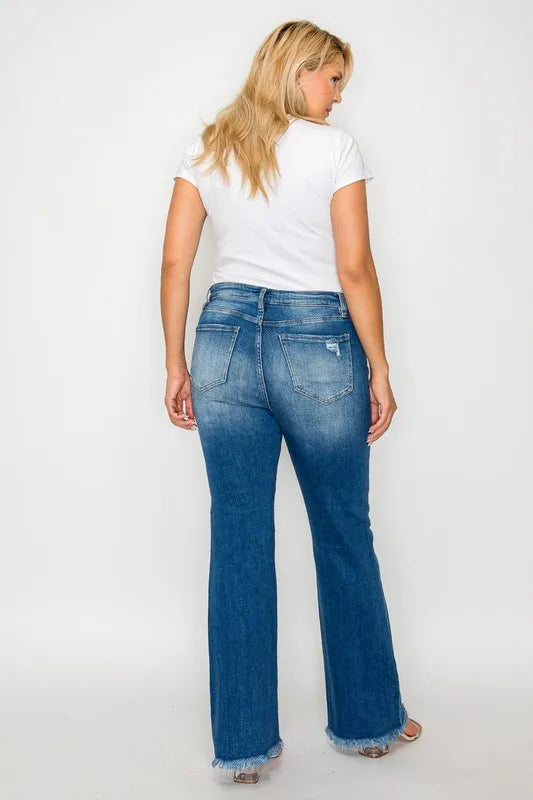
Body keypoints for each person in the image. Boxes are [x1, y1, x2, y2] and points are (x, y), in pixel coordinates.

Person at [160, 19, 422, 784]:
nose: (339, 96)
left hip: (223, 340)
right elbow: (355, 267)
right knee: (342, 530)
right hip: (316, 342)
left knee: (237, 539)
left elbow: (178, 261)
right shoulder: (331, 149)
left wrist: (174, 362)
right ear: (297, 70)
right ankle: (369, 722)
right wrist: (378, 365)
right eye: (333, 79)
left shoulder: (208, 146)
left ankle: (242, 747)